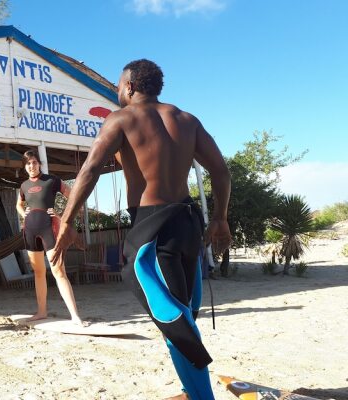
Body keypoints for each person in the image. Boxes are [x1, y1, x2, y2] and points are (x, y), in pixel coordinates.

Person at [51, 59, 231, 400]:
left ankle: (201, 396)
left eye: (120, 85)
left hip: (153, 229)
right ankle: (189, 389)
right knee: (184, 315)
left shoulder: (121, 119)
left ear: (130, 86)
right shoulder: (186, 119)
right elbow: (220, 172)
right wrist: (220, 218)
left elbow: (88, 171)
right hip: (188, 224)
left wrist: (67, 222)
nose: (118, 91)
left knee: (175, 323)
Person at [16, 150, 83, 325]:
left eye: (34, 162)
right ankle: (41, 312)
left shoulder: (52, 180)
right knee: (38, 272)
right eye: (28, 163)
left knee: (59, 272)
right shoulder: (23, 186)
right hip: (30, 230)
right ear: (25, 166)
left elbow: (73, 196)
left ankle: (75, 316)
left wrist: (61, 214)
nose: (32, 166)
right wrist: (24, 213)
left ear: (39, 164)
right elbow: (18, 204)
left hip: (49, 229)